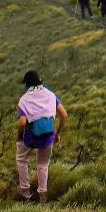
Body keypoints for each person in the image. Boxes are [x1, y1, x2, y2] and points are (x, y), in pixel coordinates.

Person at [16, 69, 66, 202]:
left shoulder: (24, 100)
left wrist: (19, 137)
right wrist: (58, 133)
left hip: (31, 137)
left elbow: (22, 122)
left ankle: (25, 192)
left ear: (27, 84)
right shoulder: (51, 95)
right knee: (43, 164)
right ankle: (43, 194)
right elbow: (64, 115)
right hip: (48, 136)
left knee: (21, 159)